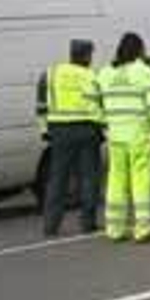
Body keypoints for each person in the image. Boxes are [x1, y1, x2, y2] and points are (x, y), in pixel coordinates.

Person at [94, 32, 150, 242]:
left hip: (115, 136)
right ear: (139, 50)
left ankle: (115, 229)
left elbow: (92, 102)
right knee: (140, 181)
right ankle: (143, 228)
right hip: (139, 135)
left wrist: (105, 123)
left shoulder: (105, 73)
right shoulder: (144, 72)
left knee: (116, 181)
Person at [40, 39, 104, 236]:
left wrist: (44, 129)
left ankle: (50, 227)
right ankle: (88, 223)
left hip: (59, 131)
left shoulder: (50, 74)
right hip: (86, 130)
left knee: (57, 179)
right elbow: (97, 106)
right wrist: (103, 128)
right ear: (86, 55)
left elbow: (41, 105)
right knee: (89, 177)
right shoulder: (91, 76)